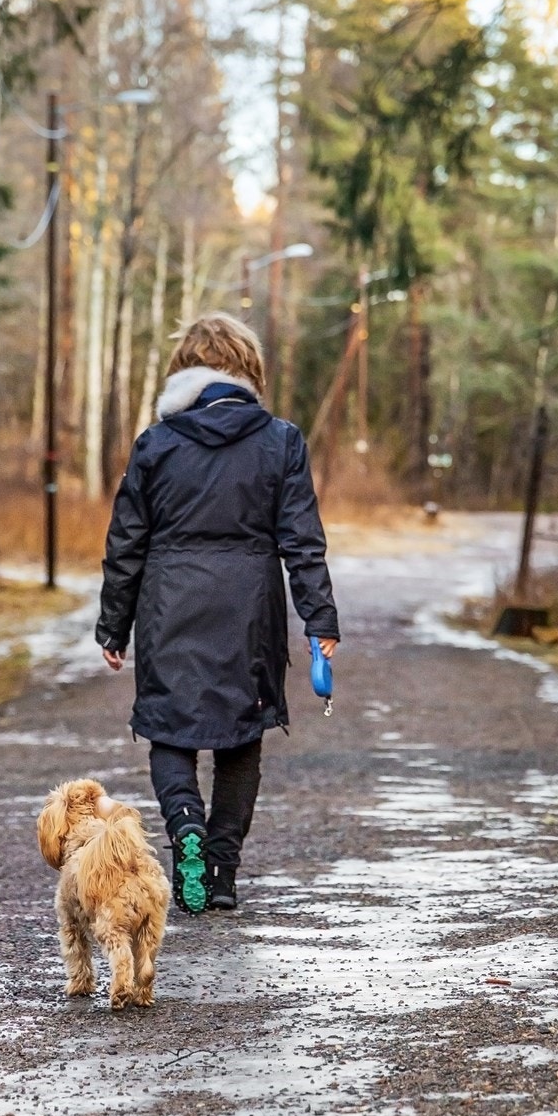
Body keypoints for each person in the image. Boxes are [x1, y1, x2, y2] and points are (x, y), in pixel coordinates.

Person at [94, 312, 340, 914]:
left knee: (172, 730)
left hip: (168, 604)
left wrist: (114, 624)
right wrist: (319, 619)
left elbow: (126, 542)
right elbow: (302, 540)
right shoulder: (281, 441)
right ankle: (223, 873)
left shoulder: (156, 444)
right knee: (240, 735)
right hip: (249, 609)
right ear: (249, 372)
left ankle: (187, 834)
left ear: (187, 371)